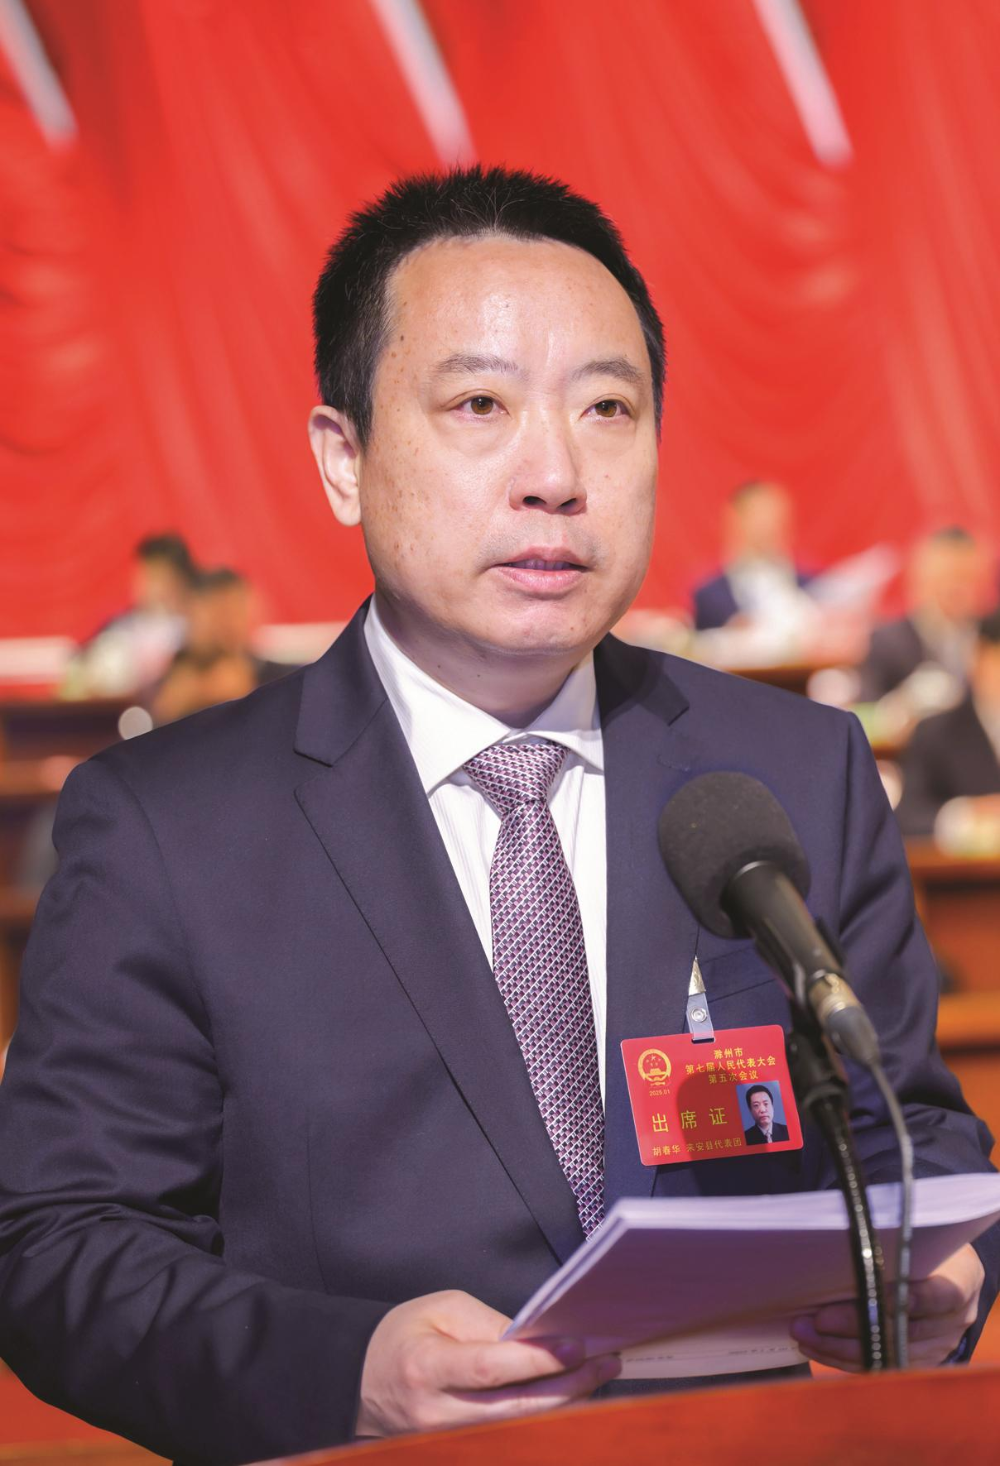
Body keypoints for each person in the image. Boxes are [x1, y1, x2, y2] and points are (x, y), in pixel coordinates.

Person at [0, 168, 995, 1466]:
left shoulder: (792, 771)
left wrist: (941, 1277)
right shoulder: (167, 826)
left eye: (607, 408)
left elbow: (909, 1126)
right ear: (344, 459)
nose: (556, 473)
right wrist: (347, 1370)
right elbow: (63, 1243)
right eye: (480, 404)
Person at [856, 526, 992, 704]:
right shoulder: (888, 642)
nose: (957, 589)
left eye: (966, 578)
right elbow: (867, 709)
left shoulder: (990, 638)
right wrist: (902, 705)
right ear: (922, 578)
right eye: (948, 577)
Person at [895, 608, 1000, 838]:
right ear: (978, 658)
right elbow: (907, 816)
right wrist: (967, 815)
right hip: (964, 861)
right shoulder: (935, 733)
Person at [62, 533, 198, 696]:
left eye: (161, 578)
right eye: (148, 576)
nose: (154, 587)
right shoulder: (117, 630)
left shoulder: (194, 632)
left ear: (181, 580)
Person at [691, 480, 812, 631]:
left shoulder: (812, 585)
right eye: (758, 514)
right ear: (735, 520)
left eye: (774, 515)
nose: (768, 525)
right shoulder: (709, 595)